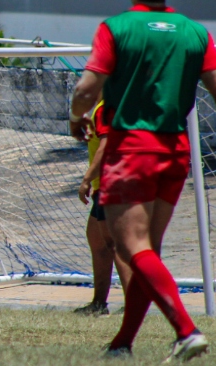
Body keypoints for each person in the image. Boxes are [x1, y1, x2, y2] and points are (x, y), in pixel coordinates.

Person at [70, 0, 216, 361]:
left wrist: (77, 114)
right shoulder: (194, 32)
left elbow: (88, 88)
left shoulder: (116, 27)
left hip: (131, 147)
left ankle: (186, 330)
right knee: (147, 250)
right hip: (175, 151)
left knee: (131, 247)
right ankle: (121, 344)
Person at [74, 100, 132, 317]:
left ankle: (133, 304)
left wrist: (87, 179)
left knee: (114, 245)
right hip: (106, 186)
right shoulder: (104, 106)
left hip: (113, 184)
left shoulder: (106, 108)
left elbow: (106, 147)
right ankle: (99, 303)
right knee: (97, 241)